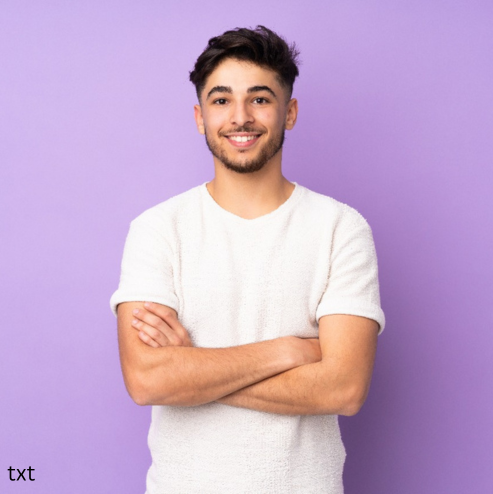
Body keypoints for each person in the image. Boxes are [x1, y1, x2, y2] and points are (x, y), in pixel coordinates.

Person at [110, 25, 385, 494]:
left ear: (289, 112)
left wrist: (192, 369)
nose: (240, 117)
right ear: (200, 117)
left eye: (259, 99)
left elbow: (344, 388)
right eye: (221, 100)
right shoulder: (157, 229)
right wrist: (287, 351)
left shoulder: (341, 228)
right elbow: (146, 381)